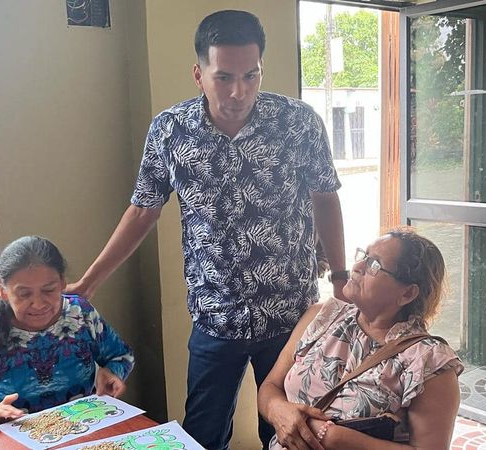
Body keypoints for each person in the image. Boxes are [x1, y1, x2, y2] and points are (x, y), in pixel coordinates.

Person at [66, 10, 347, 450]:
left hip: (289, 314)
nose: (239, 91)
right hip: (215, 315)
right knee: (202, 434)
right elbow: (142, 211)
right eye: (224, 77)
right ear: (199, 74)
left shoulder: (297, 122)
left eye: (250, 76)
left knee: (291, 435)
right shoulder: (170, 130)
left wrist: (342, 275)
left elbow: (325, 196)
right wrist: (88, 282)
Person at [258, 228, 464, 450]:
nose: (357, 267)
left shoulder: (428, 362)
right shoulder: (321, 317)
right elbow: (270, 386)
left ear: (407, 294)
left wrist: (334, 437)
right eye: (364, 256)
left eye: (374, 265)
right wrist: (278, 410)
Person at [0, 236, 134, 436]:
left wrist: (111, 372)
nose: (38, 304)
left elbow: (122, 356)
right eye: (24, 294)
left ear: (62, 282)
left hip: (83, 431)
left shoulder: (81, 315)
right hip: (9, 441)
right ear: (3, 290)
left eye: (49, 290)